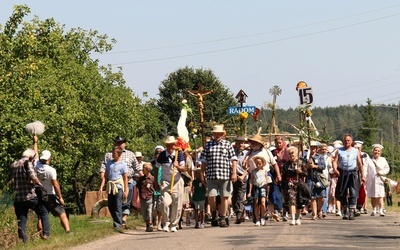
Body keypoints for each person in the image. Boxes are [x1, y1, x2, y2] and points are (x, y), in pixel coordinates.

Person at [7, 135, 50, 242]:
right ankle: (46, 234)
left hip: (17, 198)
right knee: (43, 211)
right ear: (31, 157)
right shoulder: (27, 163)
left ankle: (23, 241)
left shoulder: (13, 164)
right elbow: (33, 176)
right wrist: (40, 185)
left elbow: (8, 181)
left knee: (21, 219)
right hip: (29, 196)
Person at [199, 124, 238, 228]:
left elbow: (233, 159)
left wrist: (234, 172)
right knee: (211, 196)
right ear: (213, 134)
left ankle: (223, 217)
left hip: (225, 174)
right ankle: (214, 213)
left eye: (219, 134)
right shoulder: (208, 145)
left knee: (224, 197)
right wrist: (202, 174)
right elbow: (203, 161)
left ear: (222, 134)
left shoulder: (227, 144)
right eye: (215, 134)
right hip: (211, 175)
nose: (217, 135)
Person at [99, 135, 139, 229]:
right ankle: (119, 221)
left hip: (126, 182)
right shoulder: (108, 156)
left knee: (123, 204)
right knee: (111, 205)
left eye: (121, 143)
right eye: (117, 142)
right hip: (111, 184)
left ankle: (120, 223)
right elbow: (104, 168)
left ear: (125, 144)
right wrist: (102, 181)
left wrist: (143, 176)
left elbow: (137, 168)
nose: (119, 144)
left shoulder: (130, 154)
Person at [246, 133, 281, 221]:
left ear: (260, 144)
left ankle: (270, 213)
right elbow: (245, 166)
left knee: (268, 196)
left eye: (255, 142)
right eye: (252, 142)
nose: (253, 144)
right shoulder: (249, 153)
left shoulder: (266, 151)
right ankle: (256, 216)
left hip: (266, 176)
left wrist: (278, 174)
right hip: (253, 177)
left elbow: (274, 164)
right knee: (255, 199)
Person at [155, 136, 186, 233]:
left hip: (176, 181)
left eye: (172, 145)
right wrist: (156, 181)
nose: (170, 147)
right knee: (164, 202)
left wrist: (178, 166)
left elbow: (184, 169)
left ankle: (174, 224)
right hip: (165, 181)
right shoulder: (162, 155)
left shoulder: (179, 154)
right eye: (168, 145)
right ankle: (166, 223)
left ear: (175, 145)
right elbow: (156, 168)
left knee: (177, 203)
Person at [35, 149, 71, 234]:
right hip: (50, 195)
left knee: (41, 216)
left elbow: (35, 153)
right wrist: (60, 197)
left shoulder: (36, 166)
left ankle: (41, 234)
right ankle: (68, 231)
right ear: (49, 159)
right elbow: (56, 185)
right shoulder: (51, 170)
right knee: (62, 213)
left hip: (40, 194)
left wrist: (35, 142)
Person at [332, 134, 365, 220]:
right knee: (342, 192)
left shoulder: (355, 151)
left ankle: (351, 211)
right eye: (345, 140)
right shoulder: (339, 150)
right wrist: (335, 169)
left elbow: (360, 164)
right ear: (343, 141)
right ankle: (345, 210)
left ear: (351, 141)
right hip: (342, 173)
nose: (347, 142)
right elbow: (335, 161)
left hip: (352, 173)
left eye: (348, 140)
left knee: (353, 192)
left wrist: (363, 176)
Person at [99, 146, 128, 229]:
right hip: (110, 186)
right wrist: (101, 187)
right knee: (110, 205)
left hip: (118, 186)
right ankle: (116, 220)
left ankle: (117, 225)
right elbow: (105, 176)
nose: (112, 154)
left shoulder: (123, 165)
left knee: (118, 205)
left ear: (119, 154)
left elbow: (125, 178)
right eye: (112, 153)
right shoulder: (109, 163)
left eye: (114, 153)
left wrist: (125, 190)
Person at [281, 146, 308, 225]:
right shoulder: (286, 164)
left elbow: (306, 173)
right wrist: (283, 187)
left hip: (299, 184)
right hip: (290, 185)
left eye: (292, 154)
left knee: (299, 201)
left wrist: (300, 172)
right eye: (289, 154)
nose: (291, 155)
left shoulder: (301, 163)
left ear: (296, 154)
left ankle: (298, 218)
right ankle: (292, 218)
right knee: (291, 201)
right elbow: (284, 176)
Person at [366, 144, 390, 216]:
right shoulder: (369, 161)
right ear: (372, 151)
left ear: (381, 152)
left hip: (380, 180)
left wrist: (382, 173)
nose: (377, 152)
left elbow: (387, 169)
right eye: (375, 150)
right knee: (373, 196)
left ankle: (381, 210)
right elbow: (366, 170)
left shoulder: (383, 160)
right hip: (372, 180)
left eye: (378, 151)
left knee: (380, 195)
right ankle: (374, 209)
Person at [247, 156, 272, 226]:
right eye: (257, 163)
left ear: (262, 163)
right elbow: (251, 181)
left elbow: (267, 182)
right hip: (256, 187)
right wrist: (249, 191)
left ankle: (263, 217)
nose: (258, 165)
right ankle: (257, 219)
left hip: (263, 187)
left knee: (263, 202)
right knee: (256, 202)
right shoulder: (253, 171)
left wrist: (267, 194)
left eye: (259, 163)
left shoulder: (265, 171)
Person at [306, 142, 327, 220]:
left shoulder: (320, 157)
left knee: (321, 197)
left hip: (319, 178)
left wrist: (315, 166)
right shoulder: (307, 157)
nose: (313, 149)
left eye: (314, 147)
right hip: (310, 179)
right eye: (311, 147)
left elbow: (323, 166)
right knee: (312, 197)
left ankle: (319, 210)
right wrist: (308, 164)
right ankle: (314, 214)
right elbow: (305, 168)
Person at [231, 136, 249, 224]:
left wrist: (243, 176)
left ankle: (239, 214)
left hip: (243, 177)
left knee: (240, 196)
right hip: (234, 176)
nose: (240, 145)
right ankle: (240, 212)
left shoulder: (247, 154)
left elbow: (249, 166)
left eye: (242, 143)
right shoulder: (232, 153)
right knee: (234, 197)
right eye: (238, 143)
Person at [137, 162, 155, 232]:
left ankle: (150, 224)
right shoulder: (141, 179)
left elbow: (155, 188)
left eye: (144, 168)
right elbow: (138, 188)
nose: (142, 170)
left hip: (150, 197)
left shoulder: (152, 178)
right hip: (142, 198)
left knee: (150, 211)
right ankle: (147, 224)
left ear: (148, 170)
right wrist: (138, 197)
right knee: (144, 213)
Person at [151, 145, 164, 231]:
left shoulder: (165, 165)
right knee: (153, 207)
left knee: (160, 206)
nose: (158, 155)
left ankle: (159, 223)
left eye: (160, 153)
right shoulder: (152, 164)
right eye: (156, 153)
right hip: (152, 188)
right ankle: (152, 221)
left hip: (162, 188)